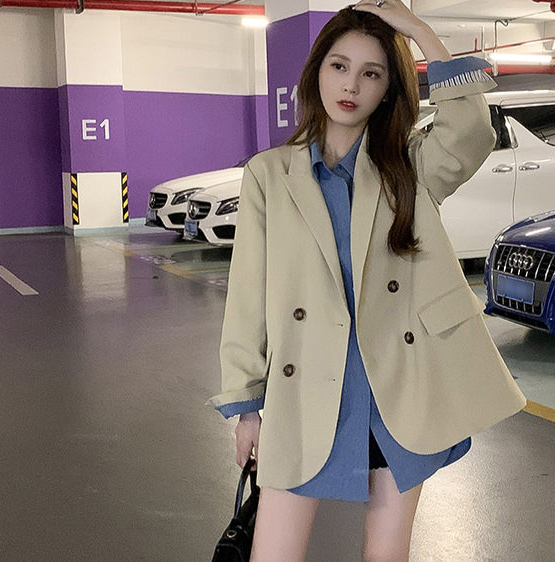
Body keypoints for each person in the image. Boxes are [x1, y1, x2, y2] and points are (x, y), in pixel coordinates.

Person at [206, 2, 527, 560]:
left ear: (388, 90)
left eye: (371, 73)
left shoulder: (409, 167)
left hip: (396, 388)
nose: (351, 85)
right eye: (339, 66)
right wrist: (246, 407)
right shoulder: (269, 174)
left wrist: (419, 31)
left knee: (386, 553)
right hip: (305, 388)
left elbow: (473, 130)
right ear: (317, 73)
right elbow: (248, 298)